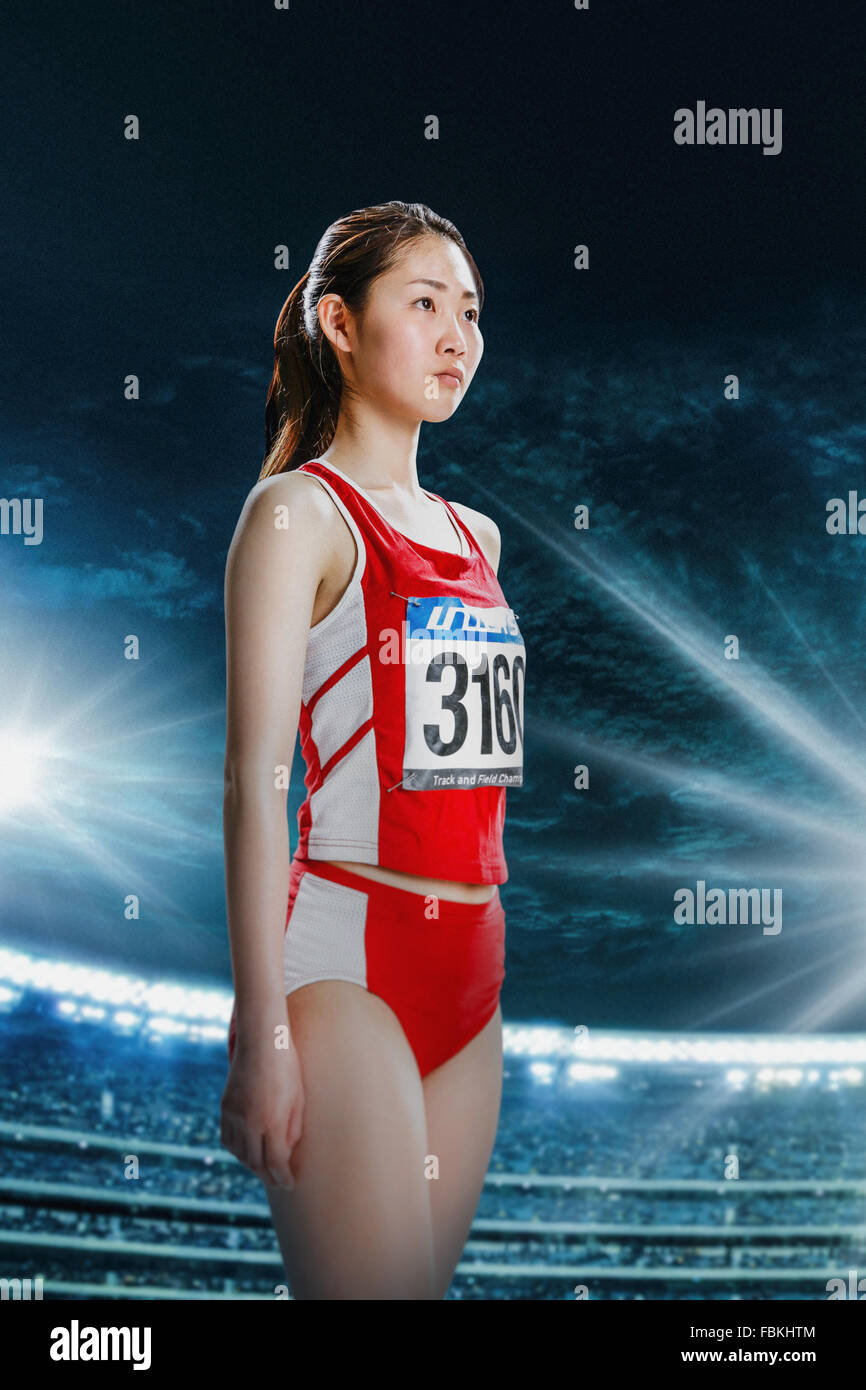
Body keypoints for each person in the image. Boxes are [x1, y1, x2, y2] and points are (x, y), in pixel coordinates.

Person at [220, 201, 526, 1299]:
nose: (458, 337)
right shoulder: (296, 517)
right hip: (350, 955)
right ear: (340, 325)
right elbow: (257, 783)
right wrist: (260, 1032)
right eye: (426, 304)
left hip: (474, 968)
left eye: (472, 311)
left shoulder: (477, 537)